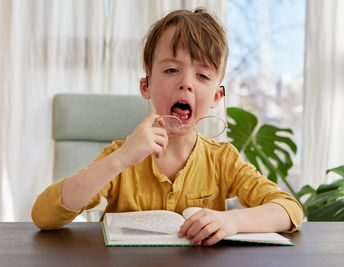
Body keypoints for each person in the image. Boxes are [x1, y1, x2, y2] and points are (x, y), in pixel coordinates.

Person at [31, 8, 303, 246]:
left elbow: (289, 210)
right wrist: (122, 159)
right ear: (145, 86)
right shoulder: (121, 156)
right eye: (172, 70)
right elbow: (43, 216)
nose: (186, 83)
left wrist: (232, 221)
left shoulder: (223, 160)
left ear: (216, 98)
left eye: (203, 75)